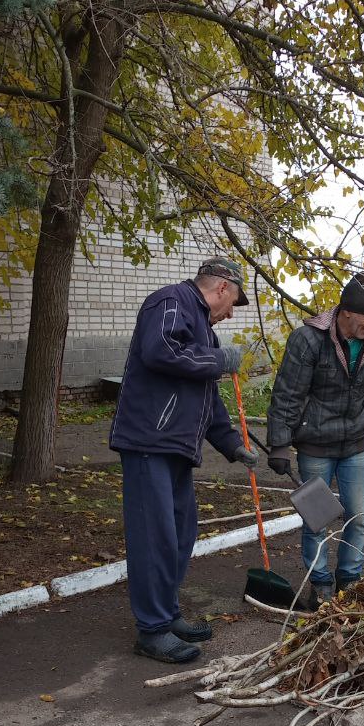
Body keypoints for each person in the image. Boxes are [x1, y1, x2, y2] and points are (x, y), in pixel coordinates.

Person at [109, 257, 258, 664]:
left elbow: (206, 399)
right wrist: (218, 360)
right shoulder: (170, 301)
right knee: (153, 537)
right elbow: (160, 352)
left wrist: (231, 444)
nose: (229, 315)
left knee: (180, 533)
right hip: (148, 442)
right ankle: (152, 630)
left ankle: (167, 613)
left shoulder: (202, 330)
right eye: (232, 304)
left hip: (175, 448)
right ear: (222, 289)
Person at [265, 272, 364, 607]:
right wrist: (279, 444)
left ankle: (350, 580)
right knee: (317, 520)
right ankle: (321, 584)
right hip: (315, 443)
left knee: (358, 516)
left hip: (355, 443)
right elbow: (287, 394)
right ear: (345, 311)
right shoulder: (308, 340)